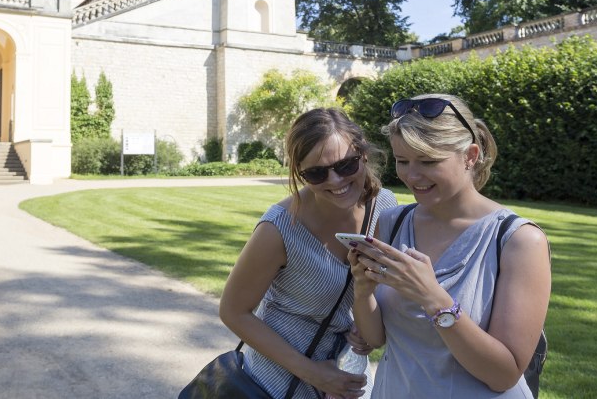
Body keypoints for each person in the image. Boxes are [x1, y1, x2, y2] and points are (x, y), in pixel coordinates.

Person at [346, 94, 551, 398]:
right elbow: (376, 338)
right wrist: (362, 291)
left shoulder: (518, 240)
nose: (412, 176)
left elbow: (503, 374)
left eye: (428, 161)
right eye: (402, 161)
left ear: (470, 155)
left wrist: (434, 298)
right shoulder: (391, 223)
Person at [220, 107, 398, 399]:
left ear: (363, 154)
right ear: (299, 173)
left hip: (347, 374)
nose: (335, 181)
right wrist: (312, 373)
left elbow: (383, 292)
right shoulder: (279, 229)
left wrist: (366, 327)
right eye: (316, 173)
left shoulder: (386, 208)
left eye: (346, 165)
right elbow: (233, 311)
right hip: (275, 382)